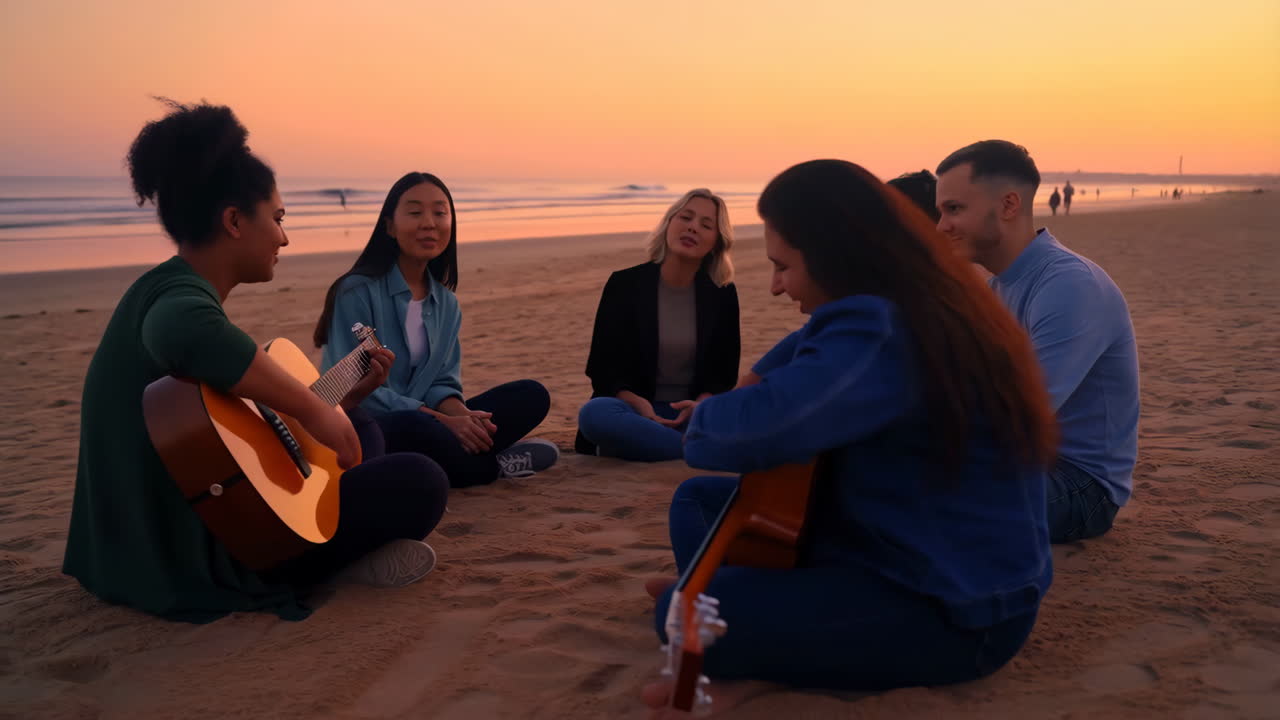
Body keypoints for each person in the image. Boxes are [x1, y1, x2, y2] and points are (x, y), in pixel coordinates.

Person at [642, 160, 1058, 708]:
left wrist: (706, 416)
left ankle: (764, 650)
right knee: (698, 503)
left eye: (782, 266)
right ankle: (767, 624)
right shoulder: (924, 300)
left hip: (959, 612)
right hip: (910, 544)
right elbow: (786, 381)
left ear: (834, 256)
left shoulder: (879, 327)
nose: (773, 287)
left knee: (681, 613)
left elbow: (741, 433)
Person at [64, 101, 448, 624]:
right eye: (279, 218)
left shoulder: (164, 284)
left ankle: (338, 544)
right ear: (234, 221)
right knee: (419, 480)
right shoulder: (177, 299)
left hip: (183, 517)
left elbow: (226, 422)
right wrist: (313, 412)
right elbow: (180, 331)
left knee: (366, 433)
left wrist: (342, 401)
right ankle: (318, 567)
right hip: (186, 553)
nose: (285, 237)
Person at [935, 140, 1140, 543]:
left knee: (901, 504)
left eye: (954, 209)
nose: (941, 226)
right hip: (1021, 462)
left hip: (1078, 484)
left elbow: (1011, 418)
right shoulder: (1000, 288)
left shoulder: (1068, 284)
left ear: (1009, 205)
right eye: (941, 211)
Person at [315, 172, 558, 487]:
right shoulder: (356, 291)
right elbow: (351, 391)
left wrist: (462, 417)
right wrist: (444, 422)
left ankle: (463, 453)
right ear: (389, 226)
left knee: (530, 395)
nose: (429, 222)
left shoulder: (446, 303)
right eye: (415, 213)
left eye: (440, 213)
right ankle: (490, 467)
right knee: (416, 426)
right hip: (368, 425)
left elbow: (442, 381)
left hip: (431, 422)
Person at [576, 190, 740, 461]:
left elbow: (723, 373)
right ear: (669, 224)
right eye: (685, 217)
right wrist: (638, 404)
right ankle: (694, 450)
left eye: (706, 225)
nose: (692, 227)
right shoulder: (625, 284)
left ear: (716, 242)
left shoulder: (722, 293)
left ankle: (650, 447)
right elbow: (602, 367)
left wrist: (700, 406)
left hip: (688, 414)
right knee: (594, 414)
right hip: (632, 410)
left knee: (739, 417)